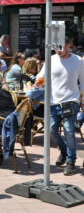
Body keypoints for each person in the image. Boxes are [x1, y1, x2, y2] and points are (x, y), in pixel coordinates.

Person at [36, 37, 84, 175]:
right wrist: (37, 82)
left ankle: (71, 162)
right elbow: (41, 76)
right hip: (52, 101)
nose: (58, 50)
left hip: (70, 100)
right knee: (51, 131)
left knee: (69, 131)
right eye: (56, 47)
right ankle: (63, 151)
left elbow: (83, 81)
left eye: (61, 47)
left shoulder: (78, 60)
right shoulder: (51, 59)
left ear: (69, 45)